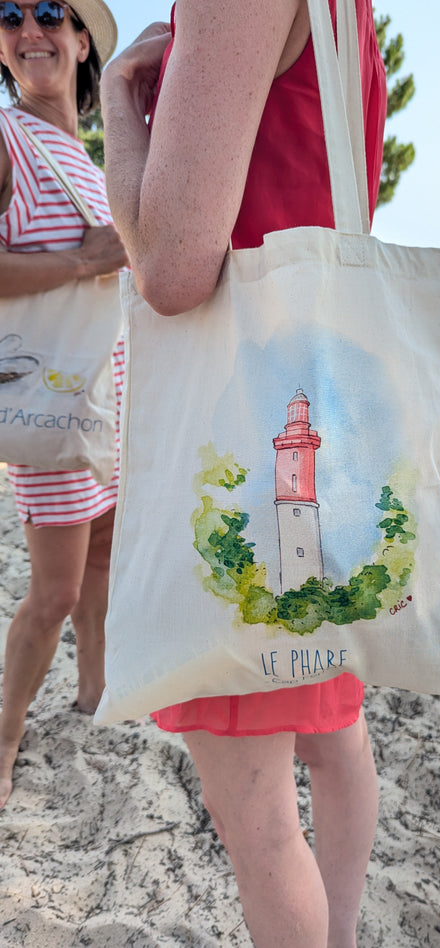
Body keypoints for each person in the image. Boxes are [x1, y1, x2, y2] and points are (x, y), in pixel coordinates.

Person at [101, 1, 386, 945]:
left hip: (236, 434)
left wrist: (118, 103)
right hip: (319, 414)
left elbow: (170, 269)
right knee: (333, 736)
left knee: (258, 820)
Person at [0, 0, 128, 809]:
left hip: (103, 400)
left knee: (103, 556)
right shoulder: (7, 136)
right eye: (8, 15)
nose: (28, 29)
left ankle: (94, 695)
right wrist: (84, 264)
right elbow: (89, 263)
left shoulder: (87, 157)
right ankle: (5, 739)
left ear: (82, 40)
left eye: (48, 11)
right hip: (50, 400)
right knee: (53, 593)